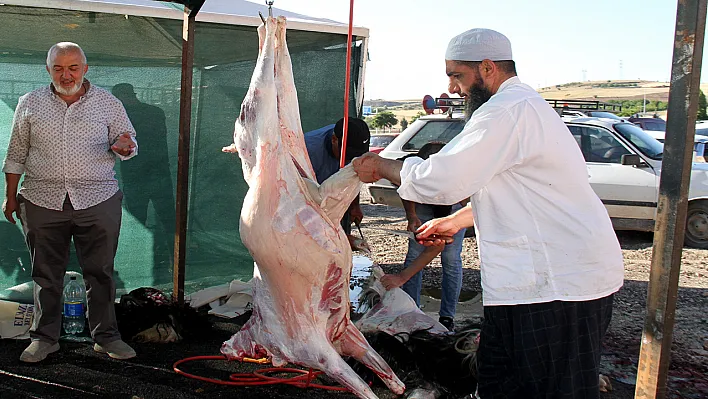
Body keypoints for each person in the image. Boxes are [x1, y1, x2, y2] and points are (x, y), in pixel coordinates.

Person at [352, 28, 624, 398]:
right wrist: (453, 220)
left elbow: (443, 179)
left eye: (457, 75)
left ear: (487, 68)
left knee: (554, 389)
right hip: (531, 284)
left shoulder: (506, 111)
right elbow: (517, 194)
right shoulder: (521, 108)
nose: (451, 87)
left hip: (557, 285)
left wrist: (383, 166)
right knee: (497, 383)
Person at [2, 42, 139, 363]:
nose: (66, 75)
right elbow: (16, 154)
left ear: (85, 69)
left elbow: (129, 142)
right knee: (45, 275)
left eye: (73, 67)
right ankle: (45, 338)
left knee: (101, 273)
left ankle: (106, 336)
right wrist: (10, 197)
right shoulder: (29, 102)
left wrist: (124, 145)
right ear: (48, 70)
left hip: (98, 199)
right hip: (40, 200)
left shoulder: (108, 102)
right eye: (59, 68)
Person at [379, 142, 467, 331]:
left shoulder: (457, 175)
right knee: (414, 256)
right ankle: (411, 311)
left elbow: (437, 246)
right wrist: (412, 216)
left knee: (451, 260)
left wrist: (452, 222)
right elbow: (405, 187)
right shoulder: (412, 171)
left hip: (452, 207)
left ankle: (447, 318)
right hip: (424, 205)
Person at [112, 83, 175, 286]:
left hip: (139, 176)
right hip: (156, 174)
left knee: (141, 221)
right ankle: (172, 260)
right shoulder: (155, 112)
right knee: (166, 219)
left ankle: (142, 264)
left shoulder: (122, 118)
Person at [304, 117, 370, 248]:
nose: (349, 159)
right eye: (347, 154)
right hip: (307, 203)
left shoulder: (357, 138)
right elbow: (302, 198)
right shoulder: (307, 149)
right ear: (334, 140)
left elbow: (354, 175)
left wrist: (354, 206)